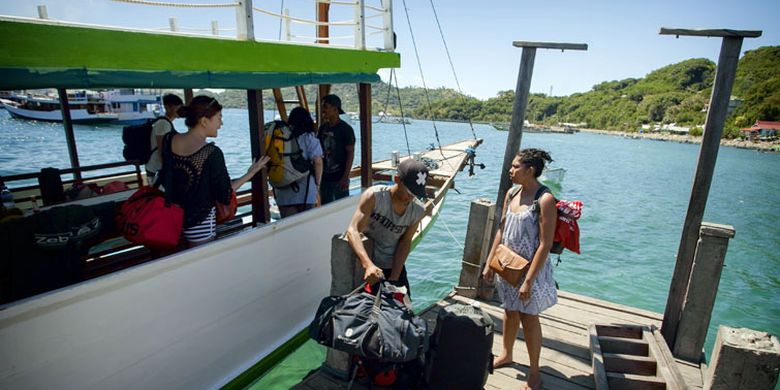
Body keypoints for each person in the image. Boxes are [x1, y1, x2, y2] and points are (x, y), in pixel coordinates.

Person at [481, 148, 558, 390]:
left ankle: (534, 372)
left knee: (529, 317)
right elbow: (502, 231)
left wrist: (528, 281)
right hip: (508, 266)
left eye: (515, 167)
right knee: (510, 311)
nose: (510, 170)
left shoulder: (545, 200)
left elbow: (545, 245)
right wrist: (489, 263)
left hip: (530, 271)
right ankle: (507, 354)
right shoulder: (511, 193)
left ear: (530, 170)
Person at [164, 96, 269, 246]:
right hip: (199, 225)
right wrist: (251, 173)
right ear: (204, 121)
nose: (221, 124)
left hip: (171, 219)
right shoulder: (211, 153)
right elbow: (224, 194)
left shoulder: (169, 140)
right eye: (219, 118)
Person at [345, 159, 429, 295]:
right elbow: (352, 230)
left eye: (416, 194)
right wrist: (367, 264)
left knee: (402, 310)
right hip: (366, 265)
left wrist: (394, 278)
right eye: (409, 191)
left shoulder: (417, 210)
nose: (411, 197)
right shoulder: (374, 196)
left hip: (393, 266)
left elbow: (405, 242)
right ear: (397, 179)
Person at [275, 107, 323, 218]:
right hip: (305, 190)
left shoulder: (281, 138)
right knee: (304, 226)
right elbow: (318, 161)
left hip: (282, 189)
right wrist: (317, 183)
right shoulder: (309, 138)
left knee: (287, 227)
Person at [318, 94, 355, 204]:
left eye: (325, 107)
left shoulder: (346, 129)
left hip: (339, 179)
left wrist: (345, 177)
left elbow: (350, 153)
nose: (323, 110)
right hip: (324, 179)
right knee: (325, 209)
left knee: (341, 208)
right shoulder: (322, 128)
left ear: (335, 109)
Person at [146, 94, 183, 185]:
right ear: (168, 107)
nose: (180, 110)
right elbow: (162, 149)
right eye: (177, 108)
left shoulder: (166, 123)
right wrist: (167, 169)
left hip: (158, 168)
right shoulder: (163, 123)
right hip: (157, 169)